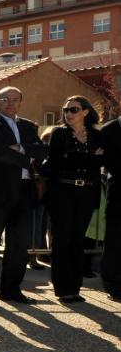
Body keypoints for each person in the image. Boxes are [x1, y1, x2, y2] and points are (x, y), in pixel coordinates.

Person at [0, 87, 48, 305]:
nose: (10, 103)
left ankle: (11, 290)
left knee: (19, 246)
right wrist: (27, 155)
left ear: (20, 102)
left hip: (25, 192)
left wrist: (20, 148)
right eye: (5, 99)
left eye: (14, 99)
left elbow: (42, 150)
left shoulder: (28, 126)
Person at [41, 95, 105, 304]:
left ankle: (75, 287)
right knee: (62, 240)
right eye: (66, 110)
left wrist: (79, 158)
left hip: (86, 193)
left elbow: (101, 162)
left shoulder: (96, 135)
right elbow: (57, 163)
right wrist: (90, 158)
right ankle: (63, 288)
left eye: (74, 110)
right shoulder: (59, 134)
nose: (68, 114)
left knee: (77, 240)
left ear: (85, 112)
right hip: (62, 192)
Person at [100, 114, 120, 301]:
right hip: (118, 193)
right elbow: (109, 162)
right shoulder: (109, 129)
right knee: (115, 240)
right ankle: (113, 285)